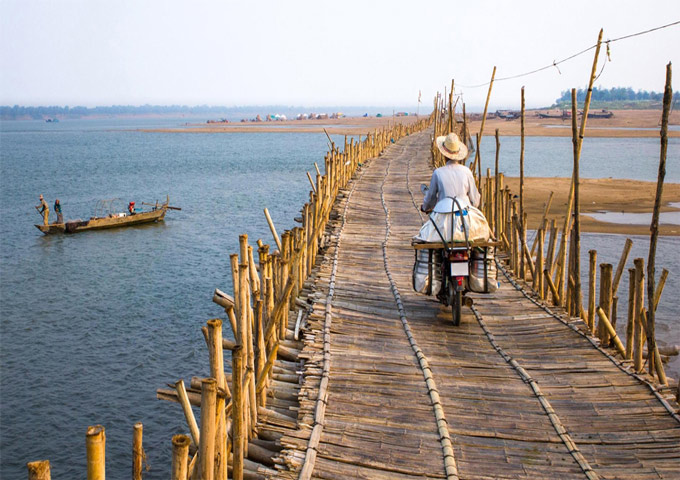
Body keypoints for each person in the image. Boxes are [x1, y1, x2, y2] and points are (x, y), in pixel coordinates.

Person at [421, 132, 480, 213]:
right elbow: (475, 200)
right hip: (464, 212)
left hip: (444, 212)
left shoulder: (438, 173)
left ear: (444, 155)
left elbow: (431, 198)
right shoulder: (466, 171)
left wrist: (424, 207)